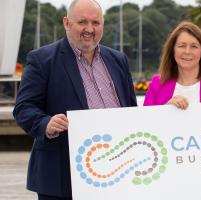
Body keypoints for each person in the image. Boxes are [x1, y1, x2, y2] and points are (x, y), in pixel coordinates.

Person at [13, 0, 137, 199]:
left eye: (95, 23)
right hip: (62, 178)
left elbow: (131, 110)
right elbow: (24, 108)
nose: (89, 29)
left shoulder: (118, 60)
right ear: (66, 23)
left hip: (117, 172)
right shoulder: (42, 60)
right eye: (82, 22)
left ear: (102, 24)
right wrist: (46, 123)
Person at [143, 21, 201, 108]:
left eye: (194, 46)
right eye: (182, 46)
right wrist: (166, 109)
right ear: (172, 50)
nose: (187, 52)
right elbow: (146, 121)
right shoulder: (157, 83)